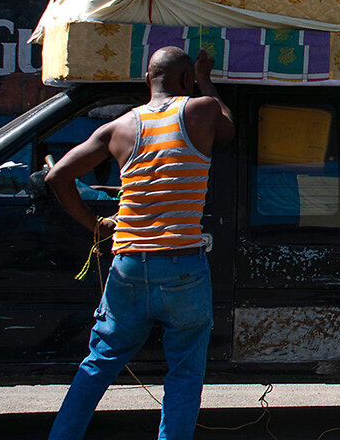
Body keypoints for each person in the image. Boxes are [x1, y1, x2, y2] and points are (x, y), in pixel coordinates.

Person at [46, 47, 234, 440]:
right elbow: (229, 125)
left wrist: (97, 224)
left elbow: (57, 176)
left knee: (98, 363)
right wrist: (205, 79)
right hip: (182, 264)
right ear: (184, 80)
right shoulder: (200, 110)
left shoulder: (119, 128)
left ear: (146, 82)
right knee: (183, 374)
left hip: (128, 265)